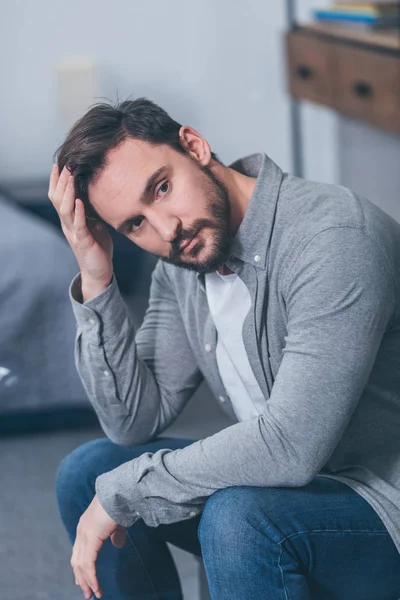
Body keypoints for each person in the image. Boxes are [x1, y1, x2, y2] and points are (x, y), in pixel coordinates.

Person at [53, 98, 400, 600]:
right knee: (87, 473)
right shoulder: (183, 266)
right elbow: (132, 420)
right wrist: (95, 275)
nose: (167, 228)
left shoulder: (333, 239)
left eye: (162, 188)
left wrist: (124, 492)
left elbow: (290, 446)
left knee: (237, 519)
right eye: (135, 224)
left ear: (194, 146)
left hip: (380, 505)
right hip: (293, 494)